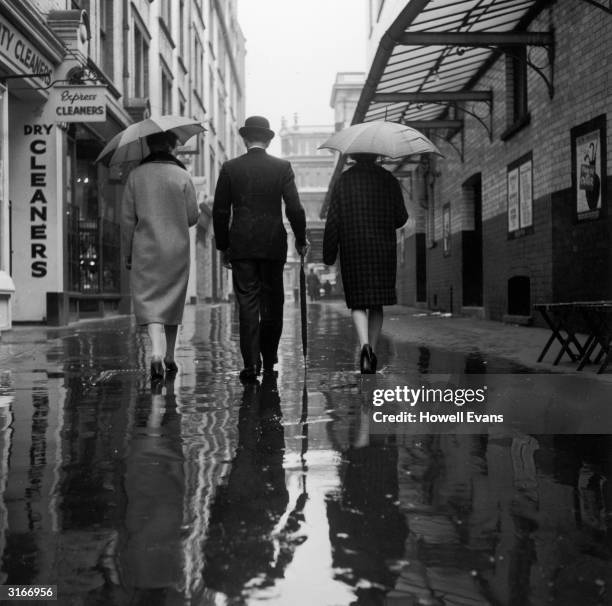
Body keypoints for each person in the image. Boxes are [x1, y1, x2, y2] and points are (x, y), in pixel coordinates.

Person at [213, 115, 308, 382]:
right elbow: (294, 208)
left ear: (245, 139)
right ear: (268, 139)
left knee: (247, 305)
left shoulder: (230, 168)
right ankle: (269, 359)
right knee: (273, 304)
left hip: (241, 246)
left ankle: (251, 364)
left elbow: (220, 212)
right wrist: (300, 238)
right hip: (272, 245)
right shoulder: (282, 167)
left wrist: (223, 246)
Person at [121, 131, 199, 382]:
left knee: (151, 302)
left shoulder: (135, 176)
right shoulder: (183, 175)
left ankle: (155, 353)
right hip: (175, 249)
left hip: (145, 248)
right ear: (172, 147)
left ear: (148, 147)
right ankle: (170, 356)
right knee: (172, 301)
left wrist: (128, 252)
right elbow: (192, 217)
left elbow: (126, 221)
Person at [323, 153, 407, 374]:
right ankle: (374, 350)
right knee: (376, 302)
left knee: (358, 301)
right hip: (382, 247)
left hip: (354, 247)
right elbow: (401, 217)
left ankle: (364, 348)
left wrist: (329, 255)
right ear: (376, 155)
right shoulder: (389, 179)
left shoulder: (344, 181)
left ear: (353, 156)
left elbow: (333, 219)